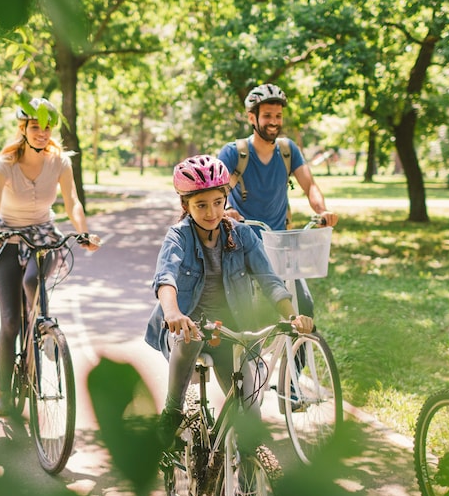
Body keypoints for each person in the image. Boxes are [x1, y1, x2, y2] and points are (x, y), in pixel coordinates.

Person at [143, 154, 313, 443]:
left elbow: (269, 279)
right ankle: (173, 409)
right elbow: (166, 278)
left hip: (227, 331)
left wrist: (291, 315)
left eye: (218, 203)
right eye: (201, 205)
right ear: (185, 205)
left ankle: (247, 485)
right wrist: (172, 313)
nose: (211, 212)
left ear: (226, 199)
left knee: (250, 416)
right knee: (190, 337)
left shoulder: (242, 235)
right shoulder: (178, 237)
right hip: (186, 326)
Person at [0, 98, 100, 416]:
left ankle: (42, 330)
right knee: (9, 322)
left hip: (43, 234)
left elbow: (72, 201)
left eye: (47, 127)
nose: (42, 133)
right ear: (23, 129)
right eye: (35, 127)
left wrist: (83, 232)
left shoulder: (60, 162)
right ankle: (5, 395)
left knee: (33, 280)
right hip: (7, 238)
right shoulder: (4, 164)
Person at [218, 83, 338, 317]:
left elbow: (310, 185)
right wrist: (228, 209)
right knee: (249, 313)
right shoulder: (234, 152)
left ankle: (298, 353)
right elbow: (217, 192)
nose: (274, 121)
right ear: (252, 118)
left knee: (303, 306)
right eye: (267, 116)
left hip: (281, 243)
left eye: (278, 116)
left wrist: (323, 211)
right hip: (245, 244)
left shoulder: (288, 150)